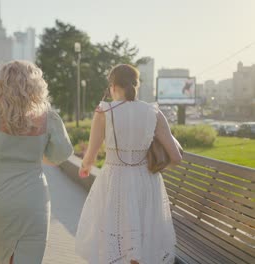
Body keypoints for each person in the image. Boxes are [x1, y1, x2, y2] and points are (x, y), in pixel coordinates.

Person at [0, 60, 73, 264]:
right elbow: (55, 158)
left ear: (2, 86)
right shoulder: (49, 119)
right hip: (34, 198)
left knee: (0, 257)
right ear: (37, 86)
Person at [75, 64, 182, 264]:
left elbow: (90, 155)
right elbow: (175, 158)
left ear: (113, 86)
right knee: (141, 238)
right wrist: (151, 169)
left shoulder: (104, 111)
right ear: (136, 85)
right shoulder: (154, 112)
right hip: (147, 183)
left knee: (114, 236)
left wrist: (85, 167)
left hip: (114, 181)